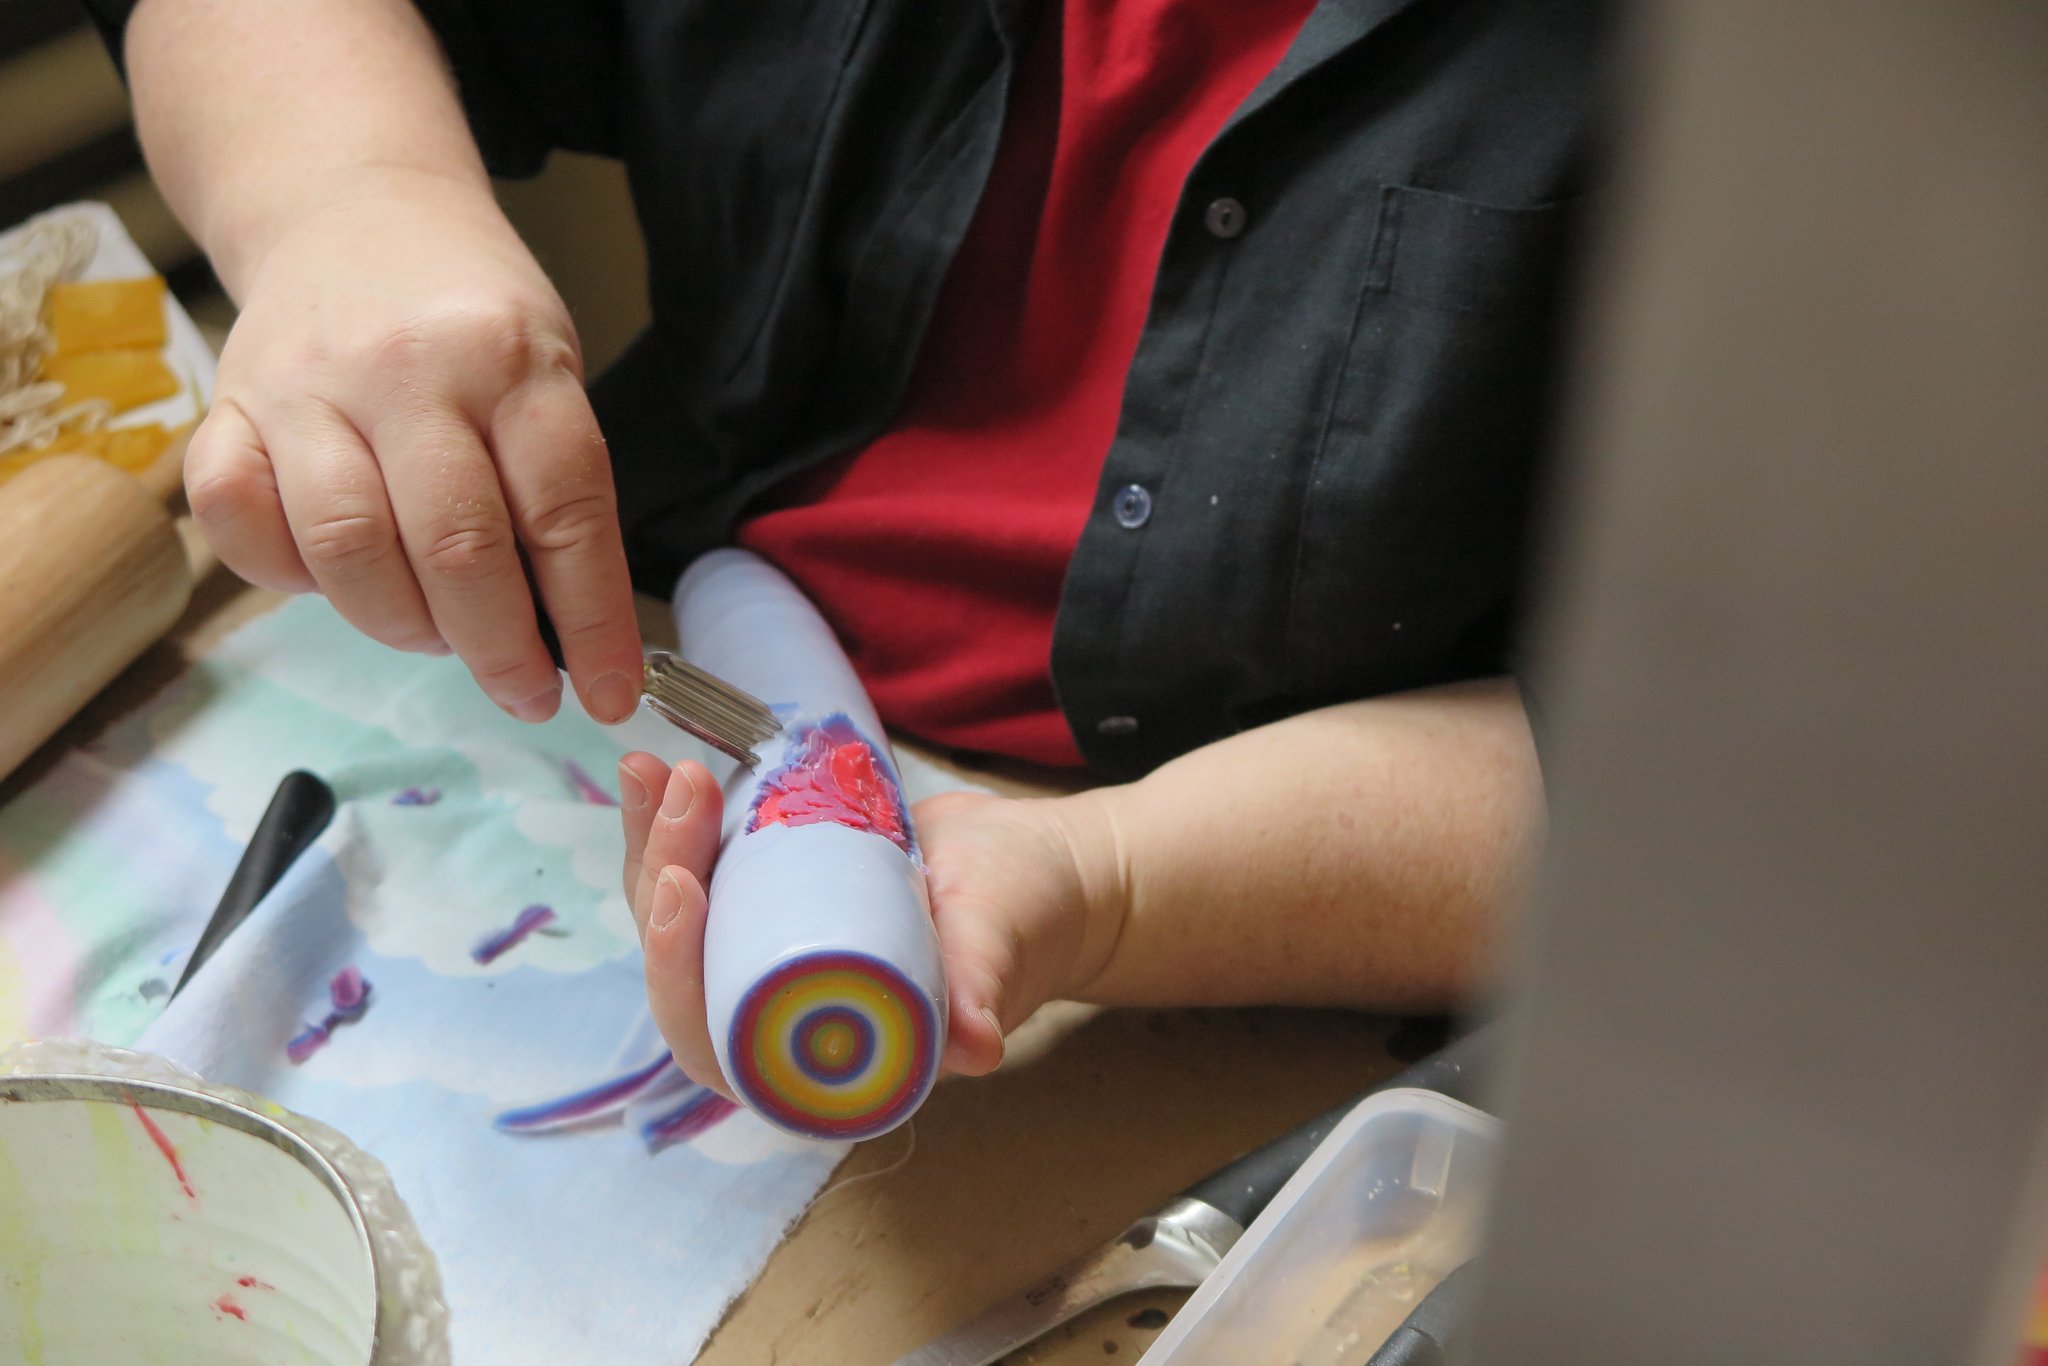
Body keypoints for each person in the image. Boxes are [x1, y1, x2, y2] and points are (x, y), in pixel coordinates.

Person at [88, 0, 1610, 1096]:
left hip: (1290, 906)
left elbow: (1727, 796)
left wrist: (1104, 882)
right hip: (680, 626)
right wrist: (352, 197)